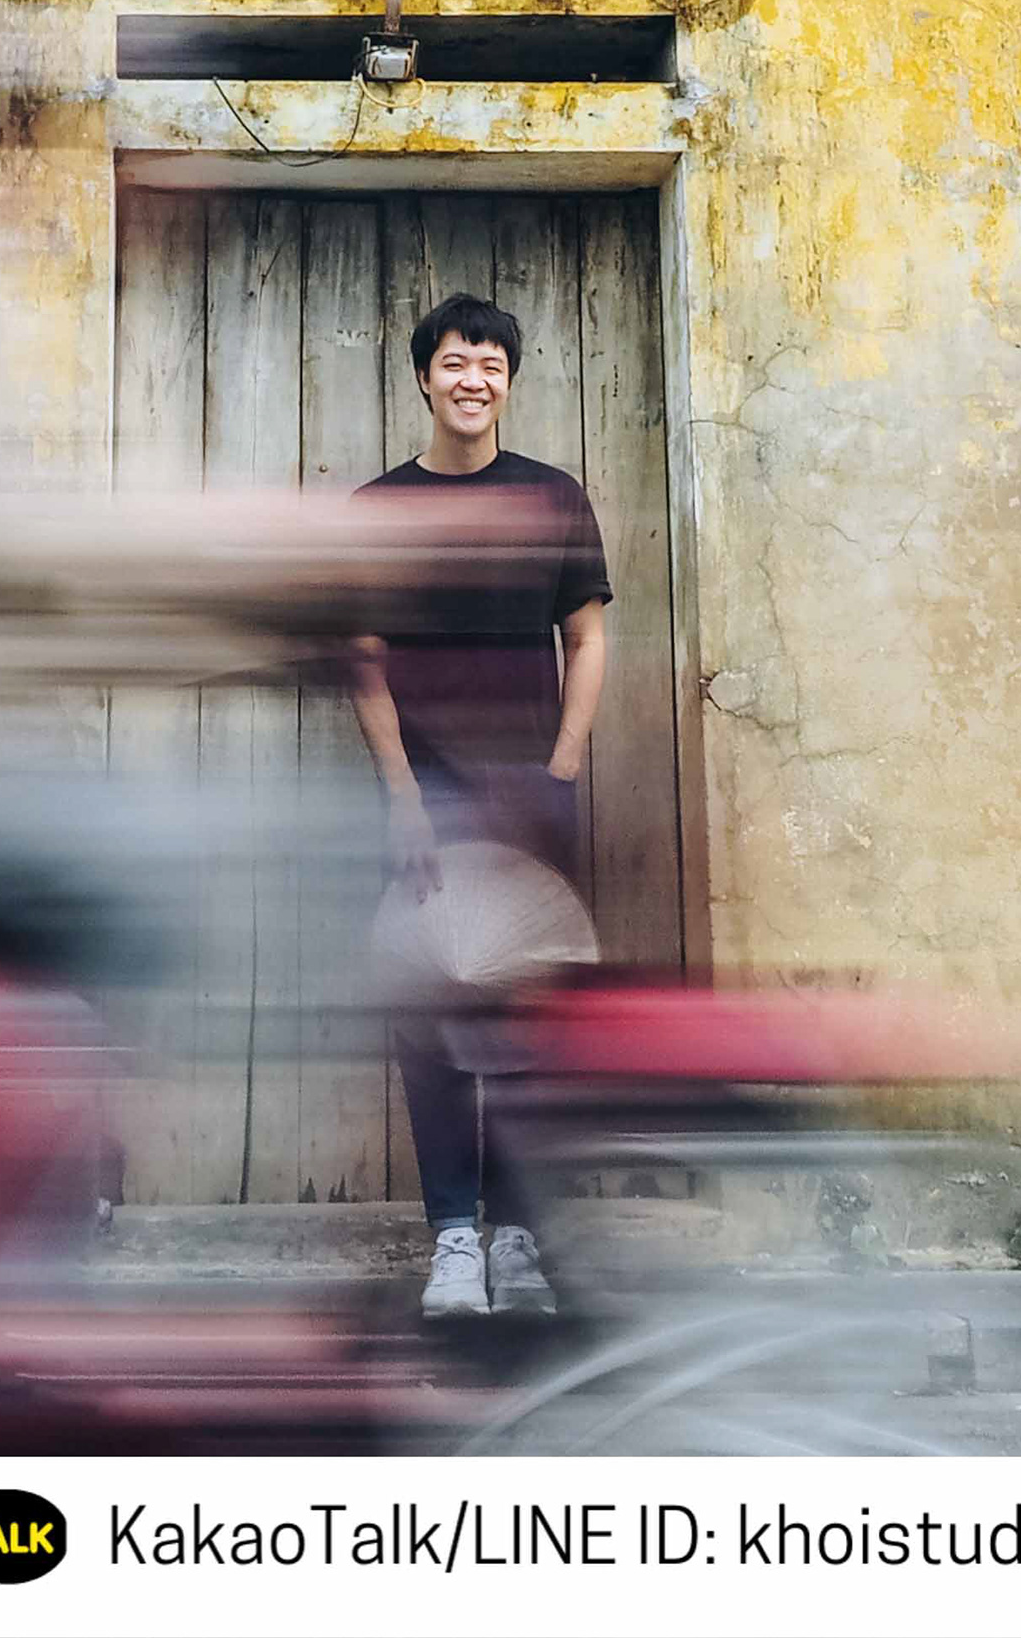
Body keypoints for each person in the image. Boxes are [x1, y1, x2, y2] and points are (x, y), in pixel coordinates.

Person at [347, 291, 611, 1319]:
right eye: (456, 361)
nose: (474, 379)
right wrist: (404, 795)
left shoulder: (551, 498)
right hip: (421, 796)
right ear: (424, 377)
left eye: (492, 363)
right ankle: (455, 1235)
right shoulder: (379, 509)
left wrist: (561, 767)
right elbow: (362, 660)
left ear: (509, 381)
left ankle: (522, 1236)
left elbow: (586, 638)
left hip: (528, 791)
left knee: (531, 1016)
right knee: (432, 1011)